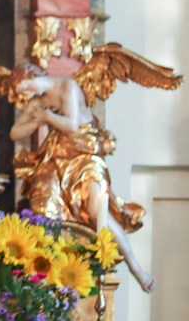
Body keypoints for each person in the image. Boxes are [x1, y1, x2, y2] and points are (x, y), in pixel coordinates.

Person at [8, 67, 155, 292]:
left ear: (35, 77)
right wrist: (36, 121)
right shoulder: (38, 100)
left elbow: (72, 124)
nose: (26, 95)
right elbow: (15, 133)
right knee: (43, 209)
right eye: (22, 92)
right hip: (57, 159)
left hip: (85, 157)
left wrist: (46, 117)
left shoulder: (66, 87)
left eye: (26, 87)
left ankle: (136, 269)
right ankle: (49, 280)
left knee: (97, 211)